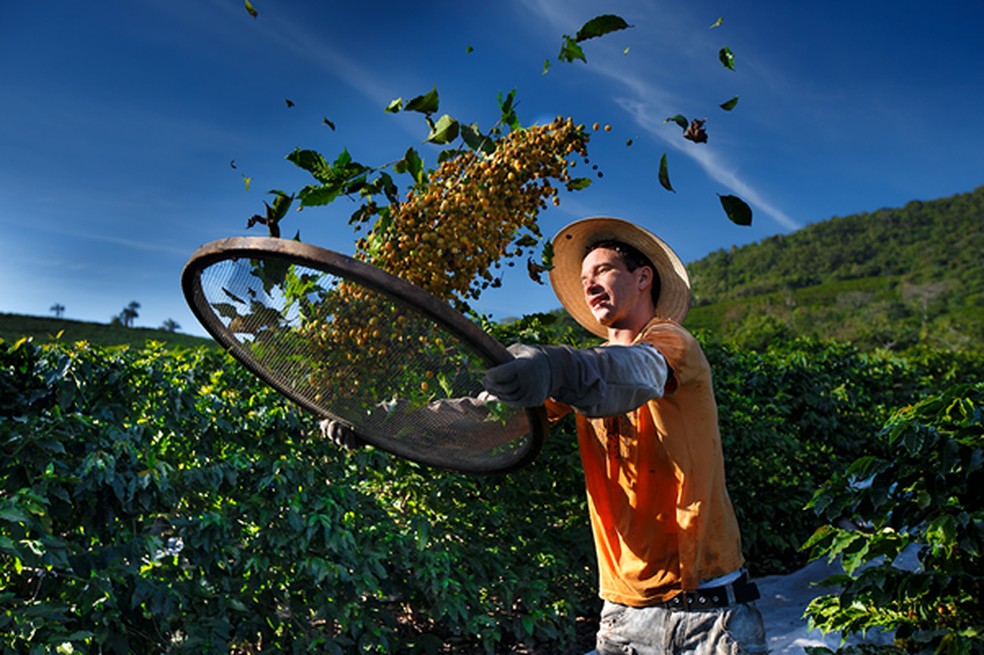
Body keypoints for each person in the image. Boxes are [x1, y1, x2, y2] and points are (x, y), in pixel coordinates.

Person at [481, 217, 767, 655]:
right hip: (625, 617)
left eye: (602, 271)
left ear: (642, 278)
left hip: (710, 615)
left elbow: (634, 371)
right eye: (584, 280)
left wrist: (556, 367)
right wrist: (397, 424)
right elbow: (497, 421)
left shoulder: (672, 344)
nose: (590, 284)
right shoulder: (584, 372)